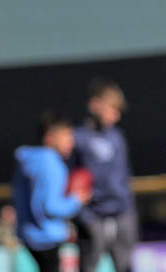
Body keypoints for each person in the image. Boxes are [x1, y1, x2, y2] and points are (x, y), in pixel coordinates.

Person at [71, 80, 138, 272]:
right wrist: (82, 214)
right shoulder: (77, 137)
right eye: (112, 108)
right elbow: (71, 179)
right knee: (89, 264)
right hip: (92, 214)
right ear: (95, 104)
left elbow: (125, 175)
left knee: (124, 265)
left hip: (122, 212)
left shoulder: (117, 137)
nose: (115, 116)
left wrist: (127, 207)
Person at [13, 112, 91, 272]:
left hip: (29, 234)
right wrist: (76, 200)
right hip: (47, 236)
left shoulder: (29, 160)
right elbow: (50, 207)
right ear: (49, 137)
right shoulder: (51, 163)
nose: (71, 141)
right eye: (66, 135)